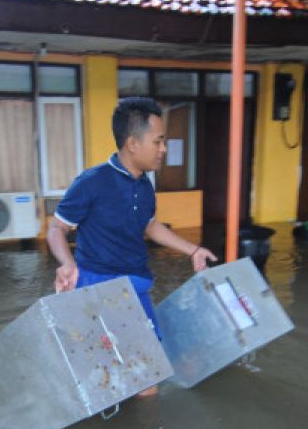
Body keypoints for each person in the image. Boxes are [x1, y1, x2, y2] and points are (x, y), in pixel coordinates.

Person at [47, 97, 218, 397]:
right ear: (133, 144)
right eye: (158, 141)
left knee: (142, 375)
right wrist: (67, 263)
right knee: (133, 380)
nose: (164, 149)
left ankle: (136, 428)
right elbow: (57, 228)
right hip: (98, 287)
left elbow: (149, 226)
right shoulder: (91, 182)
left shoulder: (144, 186)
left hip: (135, 287)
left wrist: (193, 250)